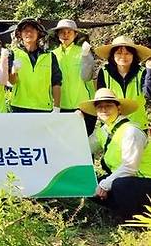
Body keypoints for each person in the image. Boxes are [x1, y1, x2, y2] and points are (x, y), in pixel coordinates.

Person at [79, 88, 151, 220]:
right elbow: (82, 149)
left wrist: (105, 184)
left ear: (119, 108)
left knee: (119, 185)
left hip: (145, 181)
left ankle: (137, 220)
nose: (104, 110)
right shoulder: (104, 130)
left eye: (108, 106)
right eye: (100, 107)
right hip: (128, 181)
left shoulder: (131, 131)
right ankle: (122, 212)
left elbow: (130, 168)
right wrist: (76, 122)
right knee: (90, 183)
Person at [48, 19, 96, 133]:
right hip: (60, 106)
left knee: (83, 142)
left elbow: (88, 76)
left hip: (83, 105)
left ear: (75, 34)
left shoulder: (84, 52)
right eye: (62, 32)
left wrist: (86, 56)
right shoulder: (52, 54)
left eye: (69, 32)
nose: (66, 35)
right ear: (57, 34)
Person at [95, 36, 151, 130]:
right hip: (112, 127)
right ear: (113, 56)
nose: (123, 57)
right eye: (119, 53)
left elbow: (148, 93)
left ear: (133, 55)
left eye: (127, 53)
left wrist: (149, 71)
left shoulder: (142, 72)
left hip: (138, 126)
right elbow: (100, 100)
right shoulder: (104, 72)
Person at [8, 18, 62, 113]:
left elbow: (56, 83)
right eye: (25, 30)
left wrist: (57, 107)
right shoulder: (13, 54)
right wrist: (14, 70)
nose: (29, 33)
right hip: (20, 106)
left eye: (32, 30)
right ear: (20, 34)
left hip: (43, 107)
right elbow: (12, 82)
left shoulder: (49, 56)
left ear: (38, 33)